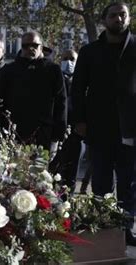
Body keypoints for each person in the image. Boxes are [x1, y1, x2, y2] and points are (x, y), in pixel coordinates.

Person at [71, 2, 136, 244]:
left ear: (128, 18)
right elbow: (77, 89)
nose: (118, 19)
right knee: (101, 182)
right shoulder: (90, 51)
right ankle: (103, 228)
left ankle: (126, 229)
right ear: (104, 19)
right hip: (98, 128)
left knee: (128, 182)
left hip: (130, 127)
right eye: (113, 15)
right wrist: (78, 120)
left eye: (123, 15)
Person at [0, 31, 67, 150]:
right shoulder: (9, 70)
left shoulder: (53, 69)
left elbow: (61, 102)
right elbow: (0, 100)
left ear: (41, 47)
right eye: (25, 45)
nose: (30, 48)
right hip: (14, 133)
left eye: (35, 45)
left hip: (43, 133)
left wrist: (58, 135)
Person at [49, 49, 81, 192]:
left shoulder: (81, 81)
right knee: (54, 171)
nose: (68, 62)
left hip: (76, 133)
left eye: (72, 59)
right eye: (65, 58)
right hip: (57, 132)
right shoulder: (55, 78)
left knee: (72, 171)